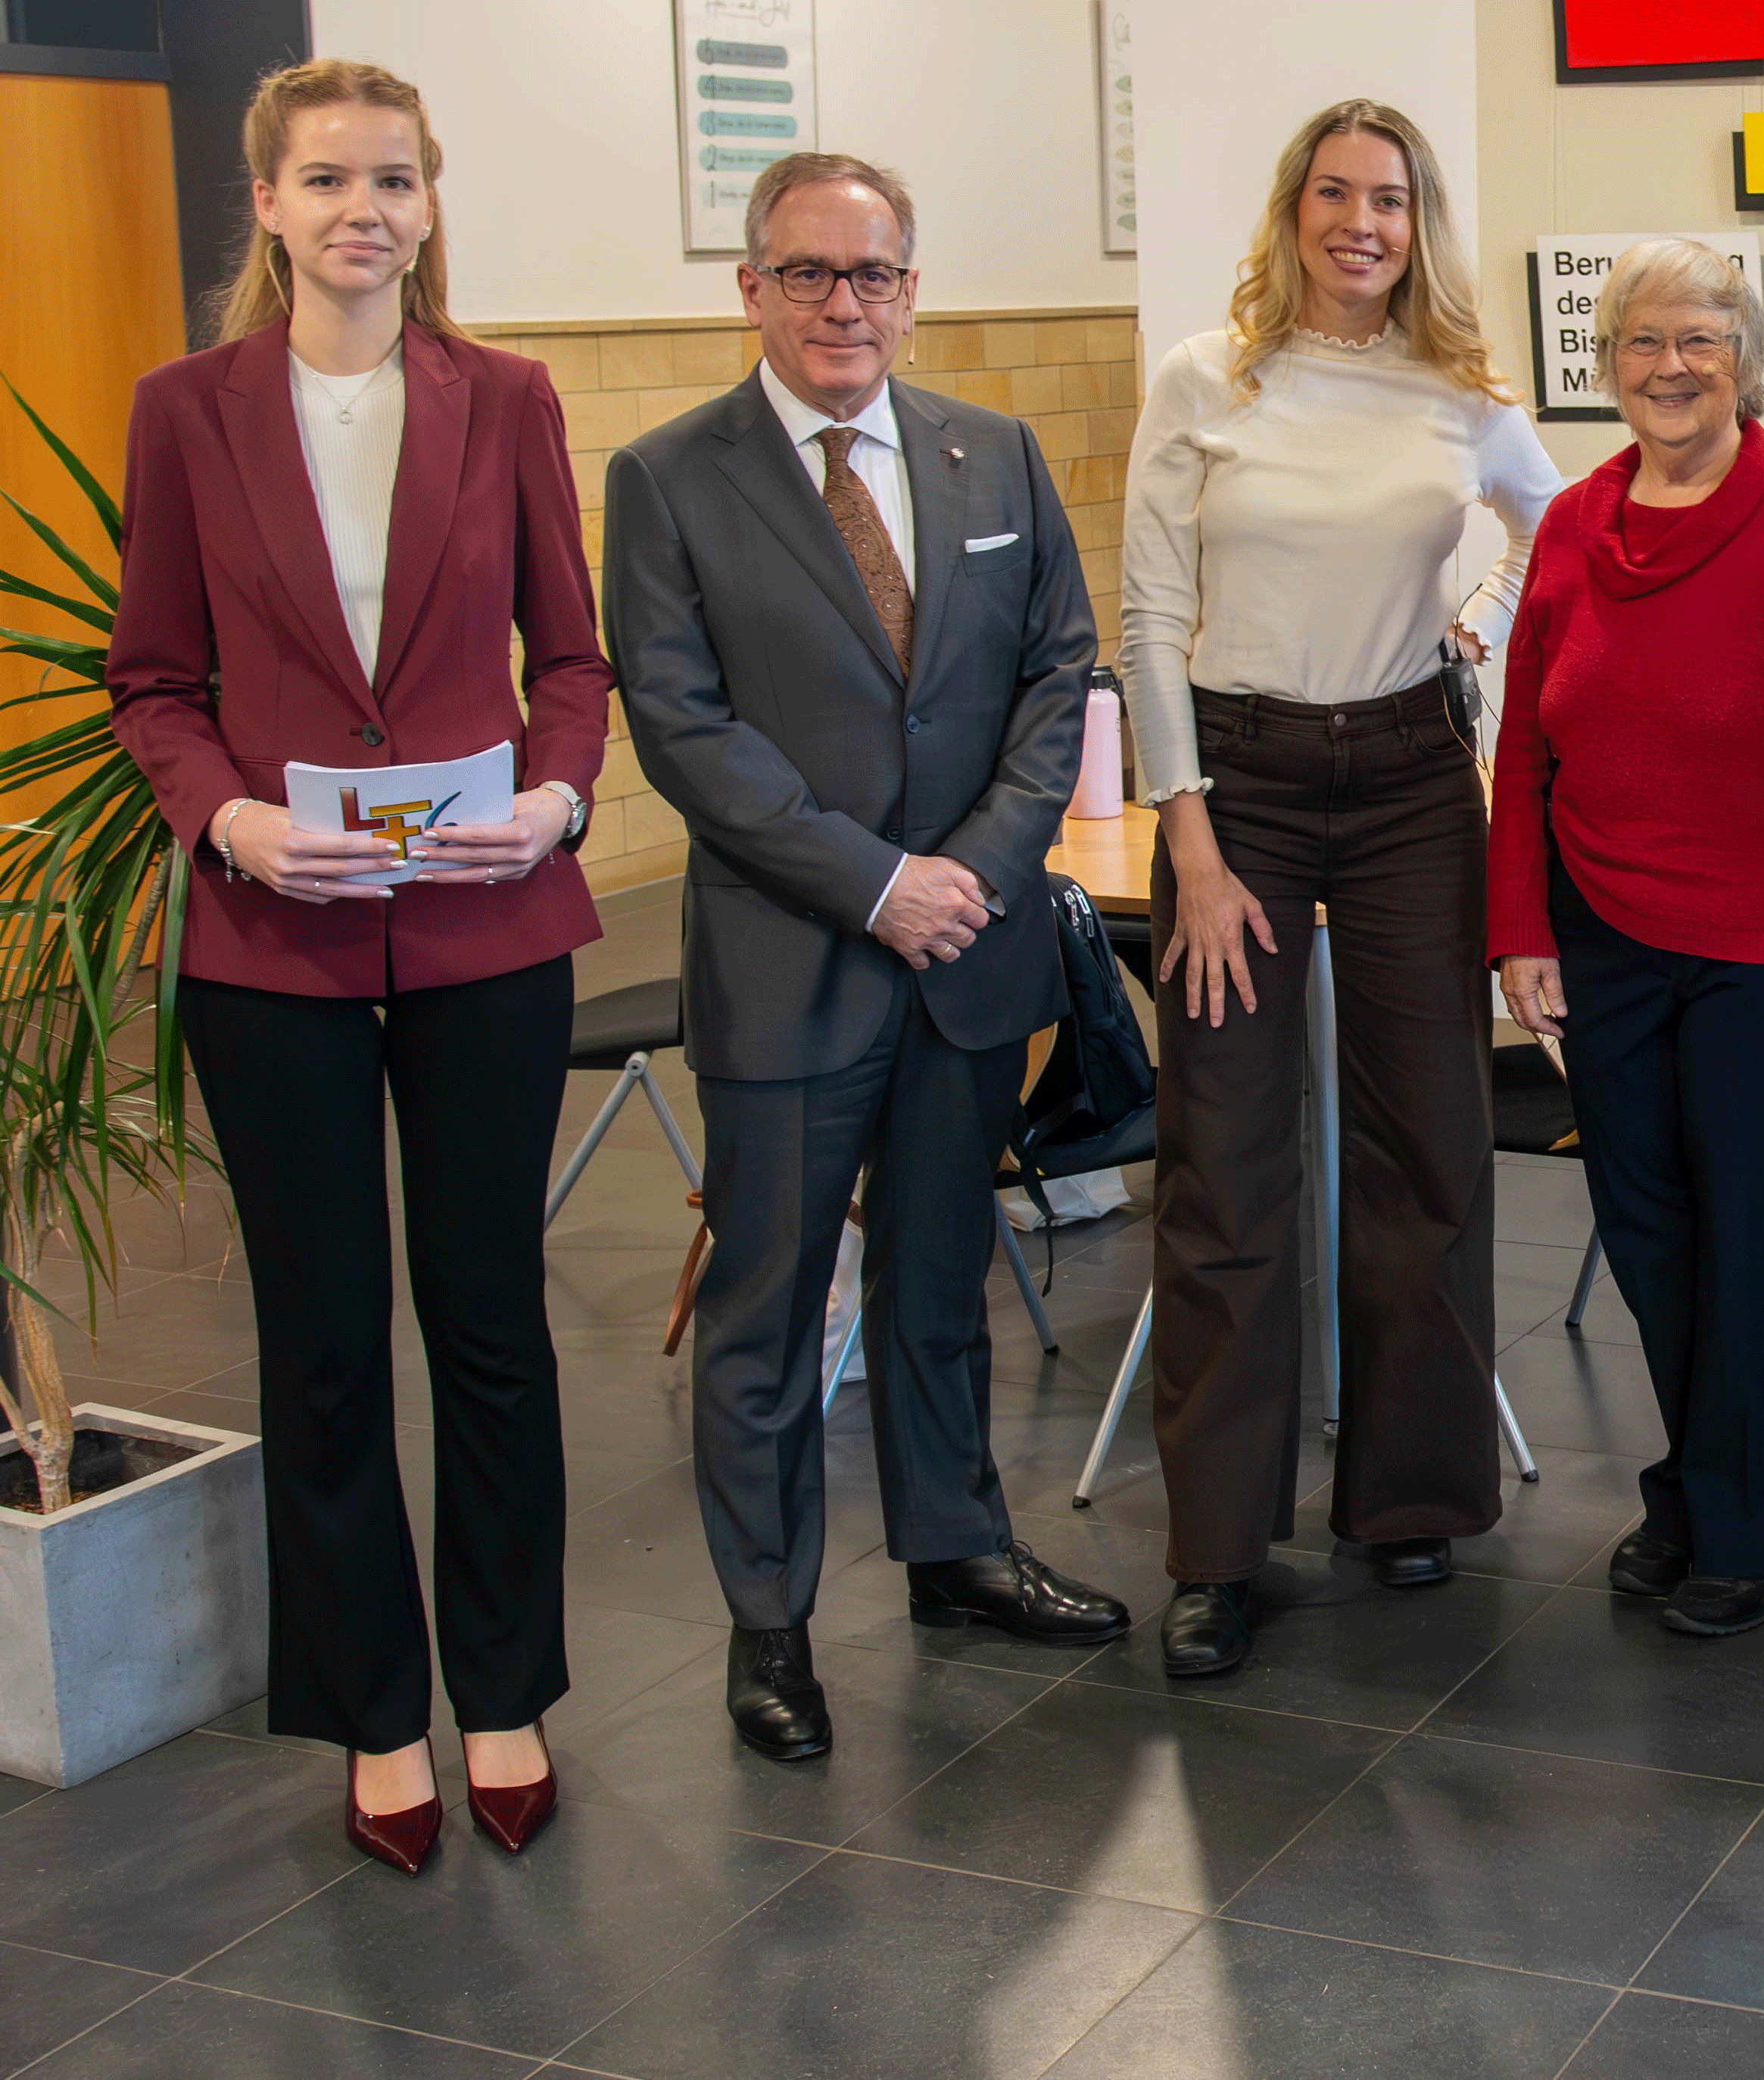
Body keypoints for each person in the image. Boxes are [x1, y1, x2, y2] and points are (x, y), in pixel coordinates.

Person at [104, 58, 602, 1874]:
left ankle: (502, 1687)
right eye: (328, 180)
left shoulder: (508, 397)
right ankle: (374, 1711)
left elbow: (575, 661)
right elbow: (152, 681)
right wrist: (230, 822)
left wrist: (552, 806)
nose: (363, 209)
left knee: (489, 1325)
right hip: (274, 940)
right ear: (272, 205)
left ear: (426, 203)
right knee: (320, 1343)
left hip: (486, 922)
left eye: (394, 178)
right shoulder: (188, 411)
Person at [606, 151, 1126, 1765]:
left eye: (877, 274)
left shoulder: (997, 453)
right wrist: (873, 882)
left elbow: (1059, 672)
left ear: (914, 286)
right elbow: (679, 725)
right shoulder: (667, 474)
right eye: (811, 274)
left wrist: (965, 875)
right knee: (768, 1312)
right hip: (790, 960)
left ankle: (955, 1543)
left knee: (937, 1278)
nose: (847, 305)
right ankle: (770, 1625)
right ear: (749, 287)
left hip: (963, 953)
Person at [1117, 99, 1563, 1681]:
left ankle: (1409, 1494)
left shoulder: (1459, 392)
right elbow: (1150, 606)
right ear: (1291, 210)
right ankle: (1218, 1546)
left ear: (1415, 220)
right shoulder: (1203, 375)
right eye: (1333, 193)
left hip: (1403, 783)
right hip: (1229, 778)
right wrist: (1188, 837)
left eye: (1388, 198)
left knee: (1425, 1137)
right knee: (1223, 1159)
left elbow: (1552, 523)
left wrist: (1478, 630)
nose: (1360, 222)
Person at [1488, 238, 1764, 1638]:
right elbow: (1522, 741)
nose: (1669, 368)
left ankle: (1763, 1529)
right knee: (1653, 1237)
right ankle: (1688, 1486)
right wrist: (1519, 928)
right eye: (1640, 344)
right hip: (1603, 937)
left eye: (1700, 341)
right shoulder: (1570, 525)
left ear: (1744, 358)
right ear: (1605, 362)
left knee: (1761, 1248)